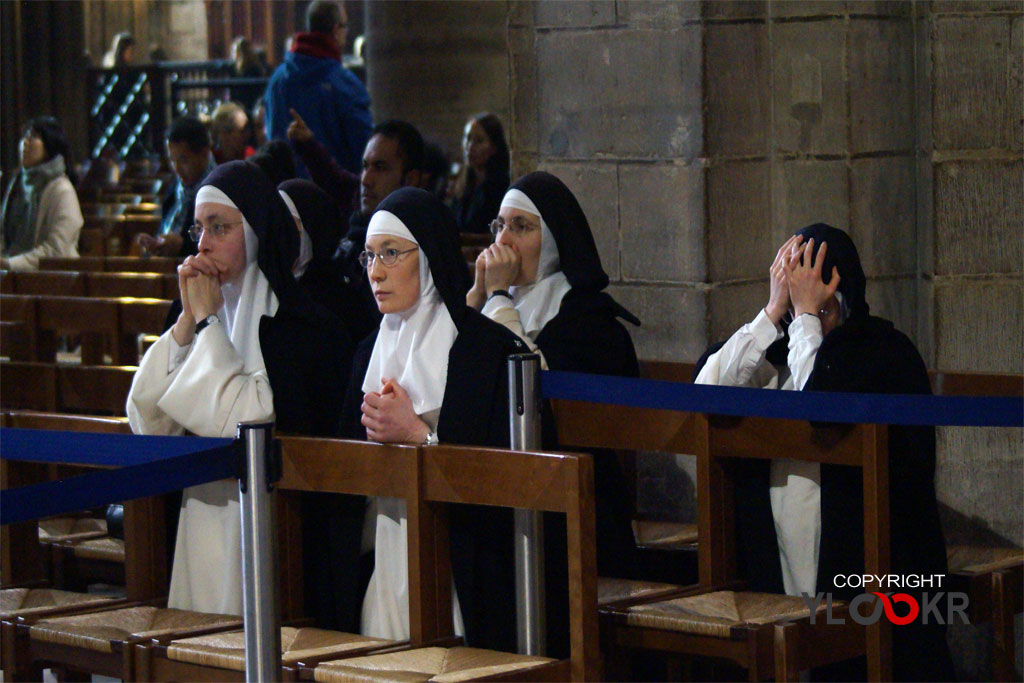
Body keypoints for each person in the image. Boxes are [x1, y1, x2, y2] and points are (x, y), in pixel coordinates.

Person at [694, 224, 953, 681]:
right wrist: (774, 312)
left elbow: (821, 404)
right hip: (775, 567)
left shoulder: (884, 353)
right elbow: (705, 394)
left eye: (820, 307)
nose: (805, 320)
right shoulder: (774, 348)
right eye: (797, 306)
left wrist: (808, 320)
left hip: (870, 580)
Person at [127, 161, 352, 614]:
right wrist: (188, 324)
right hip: (201, 509)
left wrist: (209, 321)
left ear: (254, 232)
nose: (203, 243)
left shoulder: (302, 323)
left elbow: (247, 422)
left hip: (277, 522)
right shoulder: (189, 311)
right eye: (198, 229)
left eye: (219, 228)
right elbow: (146, 419)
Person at [341, 187, 527, 645]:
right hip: (386, 549)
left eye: (390, 254)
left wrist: (421, 436)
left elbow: (510, 479)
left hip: (466, 562)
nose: (376, 272)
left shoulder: (485, 349)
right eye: (369, 257)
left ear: (427, 259)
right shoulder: (368, 350)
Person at [466, 170, 641, 653]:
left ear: (556, 239)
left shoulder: (589, 321)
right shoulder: (494, 306)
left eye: (521, 227)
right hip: (503, 502)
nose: (503, 240)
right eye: (499, 225)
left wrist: (499, 300)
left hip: (578, 518)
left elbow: (535, 401)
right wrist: (477, 302)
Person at [264, 0, 372, 176]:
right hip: (335, 194)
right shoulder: (344, 83)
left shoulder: (277, 81)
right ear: (336, 30)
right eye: (345, 27)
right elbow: (363, 149)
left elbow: (272, 139)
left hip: (286, 191)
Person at [278, 178, 378, 342]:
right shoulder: (265, 288)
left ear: (312, 230)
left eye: (288, 225)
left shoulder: (342, 304)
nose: (279, 236)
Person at [1, 117, 83, 271]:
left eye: (34, 137)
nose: (25, 142)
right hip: (12, 276)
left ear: (50, 145)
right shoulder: (17, 183)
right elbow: (3, 235)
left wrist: (11, 264)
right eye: (24, 136)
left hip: (52, 279)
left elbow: (57, 250)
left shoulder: (61, 190)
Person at [141, 116, 213, 258]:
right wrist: (156, 244)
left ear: (204, 154)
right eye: (172, 161)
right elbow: (166, 227)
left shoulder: (216, 189)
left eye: (183, 160)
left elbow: (216, 239)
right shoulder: (176, 187)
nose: (177, 169)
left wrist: (183, 246)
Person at [451, 113, 509, 235]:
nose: (470, 146)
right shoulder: (462, 184)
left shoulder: (500, 187)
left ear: (493, 147)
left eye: (479, 141)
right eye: (468, 138)